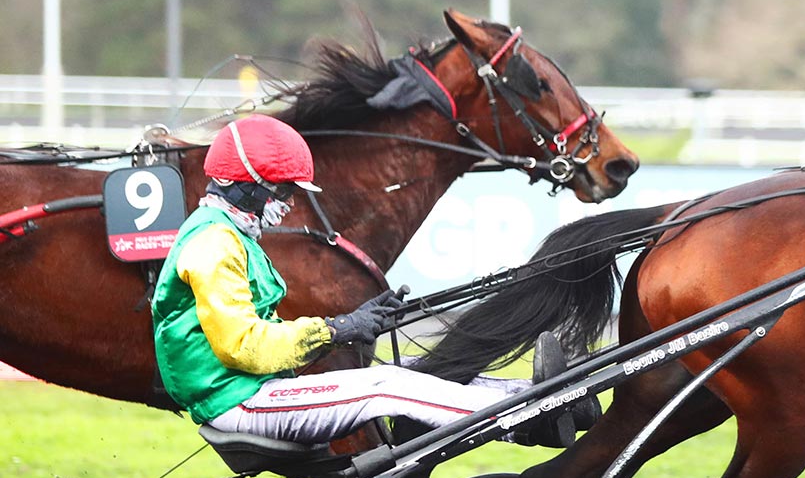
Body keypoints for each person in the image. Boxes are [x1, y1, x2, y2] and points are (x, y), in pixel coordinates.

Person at [151, 114, 583, 449]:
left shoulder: (229, 235)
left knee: (409, 371)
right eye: (283, 190)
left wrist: (348, 323)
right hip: (239, 403)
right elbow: (243, 346)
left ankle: (530, 394)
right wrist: (336, 330)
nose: (288, 202)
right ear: (246, 187)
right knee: (385, 385)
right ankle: (522, 423)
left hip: (258, 391)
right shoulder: (213, 243)